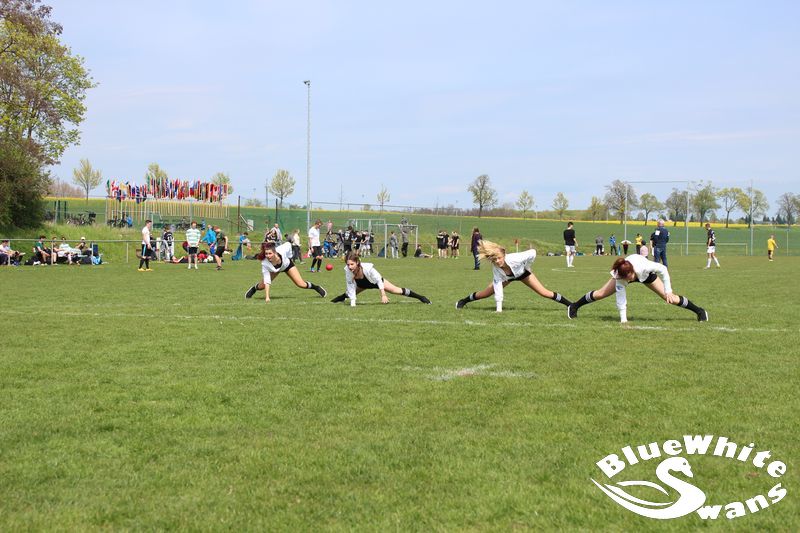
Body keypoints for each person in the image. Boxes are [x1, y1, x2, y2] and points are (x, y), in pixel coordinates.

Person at [567, 255, 708, 323]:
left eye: (627, 278)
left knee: (670, 298)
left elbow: (663, 269)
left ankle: (700, 311)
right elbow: (621, 298)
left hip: (646, 276)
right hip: (631, 273)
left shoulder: (645, 267)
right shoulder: (620, 276)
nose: (626, 280)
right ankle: (574, 306)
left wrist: (668, 290)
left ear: (631, 273)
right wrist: (624, 321)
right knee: (600, 294)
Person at [455, 240, 571, 312]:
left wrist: (527, 266)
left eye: (499, 258)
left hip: (523, 274)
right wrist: (499, 310)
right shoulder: (496, 269)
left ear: (504, 255)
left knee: (544, 292)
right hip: (507, 278)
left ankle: (570, 305)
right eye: (494, 259)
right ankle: (462, 301)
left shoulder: (515, 258)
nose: (497, 261)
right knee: (485, 294)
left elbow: (533, 252)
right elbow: (498, 289)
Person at [330, 252, 431, 306]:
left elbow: (379, 280)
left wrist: (383, 295)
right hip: (362, 284)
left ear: (357, 262)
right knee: (349, 293)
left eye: (352, 264)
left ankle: (421, 297)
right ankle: (340, 298)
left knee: (396, 290)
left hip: (376, 282)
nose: (350, 267)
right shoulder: (347, 270)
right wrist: (353, 304)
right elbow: (350, 286)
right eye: (348, 264)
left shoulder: (368, 268)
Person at [244, 241, 327, 302]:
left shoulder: (282, 250)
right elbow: (267, 280)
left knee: (301, 284)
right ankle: (253, 289)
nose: (268, 256)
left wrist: (289, 256)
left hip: (287, 265)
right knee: (262, 286)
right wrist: (267, 297)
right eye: (266, 254)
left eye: (270, 253)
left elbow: (288, 244)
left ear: (275, 252)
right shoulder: (265, 263)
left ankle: (316, 287)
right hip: (275, 270)